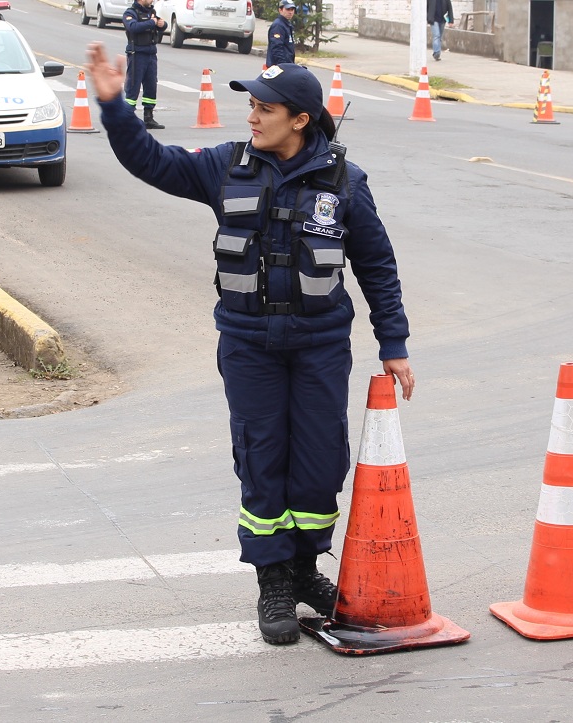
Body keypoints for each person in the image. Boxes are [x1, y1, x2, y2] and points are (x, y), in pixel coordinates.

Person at [84, 44, 415, 646]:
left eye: (265, 108)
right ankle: (273, 582)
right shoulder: (224, 165)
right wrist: (114, 107)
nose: (253, 117)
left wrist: (393, 342)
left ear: (300, 120)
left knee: (319, 462)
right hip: (249, 345)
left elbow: (376, 264)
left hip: (319, 344)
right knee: (262, 457)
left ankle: (304, 568)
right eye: (252, 106)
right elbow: (151, 162)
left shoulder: (344, 182)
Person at [122, 0, 167, 129]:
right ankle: (127, 118)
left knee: (151, 86)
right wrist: (151, 22)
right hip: (137, 54)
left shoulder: (151, 13)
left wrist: (162, 24)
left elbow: (161, 26)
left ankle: (148, 118)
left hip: (151, 54)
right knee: (133, 87)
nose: (152, 0)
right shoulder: (130, 13)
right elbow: (133, 27)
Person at [266, 0, 297, 67]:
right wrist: (283, 66)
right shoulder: (278, 26)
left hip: (287, 65)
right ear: (280, 10)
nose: (290, 12)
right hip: (278, 67)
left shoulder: (286, 25)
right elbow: (277, 48)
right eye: (288, 9)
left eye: (292, 9)